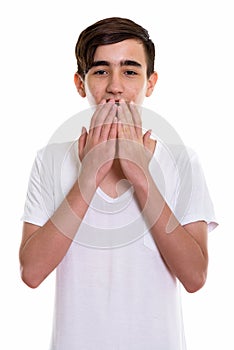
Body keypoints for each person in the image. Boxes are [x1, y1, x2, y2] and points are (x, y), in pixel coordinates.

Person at [19, 17, 217, 350]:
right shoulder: (50, 160)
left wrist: (140, 175)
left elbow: (195, 277)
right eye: (100, 71)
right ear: (80, 84)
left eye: (129, 71)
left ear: (149, 83)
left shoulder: (183, 162)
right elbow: (32, 272)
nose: (115, 86)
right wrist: (88, 174)